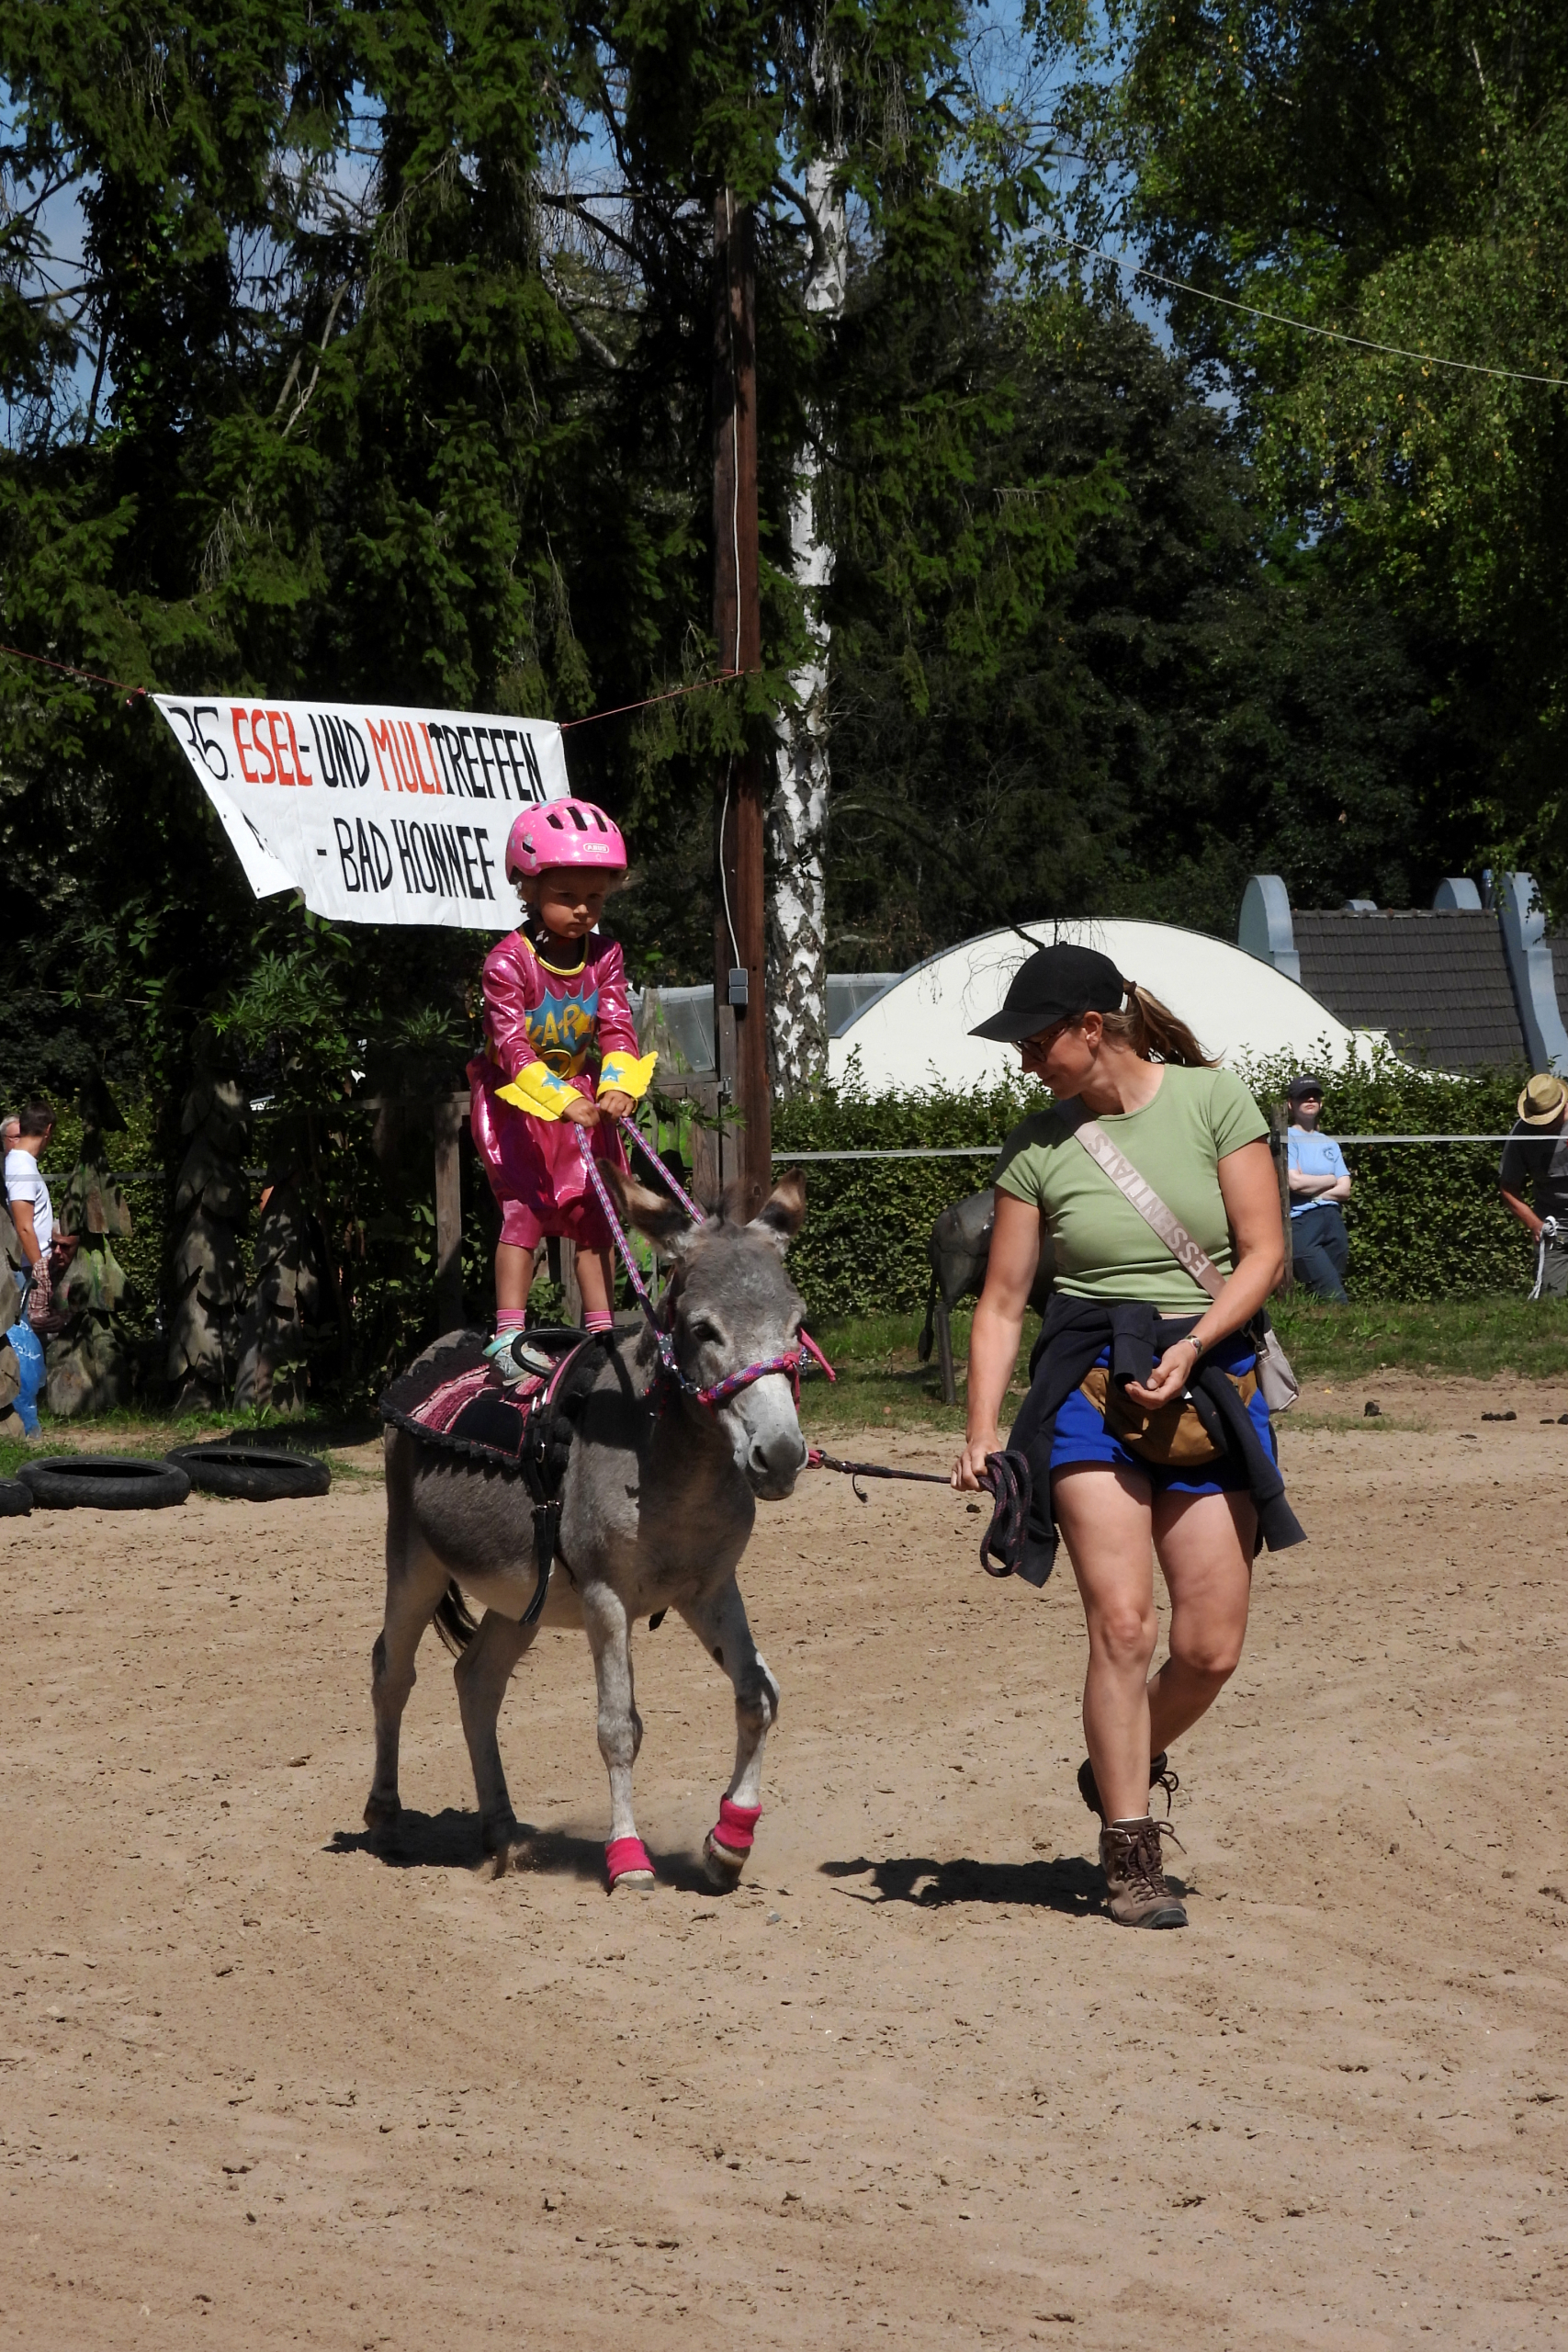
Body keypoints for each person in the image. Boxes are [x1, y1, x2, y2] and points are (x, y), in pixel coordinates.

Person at [952, 944, 1302, 1932]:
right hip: (1087, 1384)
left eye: (1035, 1042)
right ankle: (1130, 1850)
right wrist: (980, 1427)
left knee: (1209, 1645)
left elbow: (1265, 1250)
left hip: (1209, 1376)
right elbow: (1004, 1302)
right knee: (1122, 1622)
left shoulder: (1215, 1102)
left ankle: (1123, 1752)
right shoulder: (1034, 1147)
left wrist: (1194, 1343)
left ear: (1090, 1028)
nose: (1026, 1063)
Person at [467, 798, 657, 1361]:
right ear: (528, 889)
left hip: (581, 1096)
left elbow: (617, 1027)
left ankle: (600, 1335)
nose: (582, 911)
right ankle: (508, 1335)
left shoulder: (606, 957)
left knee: (593, 1210)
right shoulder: (508, 963)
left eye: (594, 898)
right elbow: (510, 1046)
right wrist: (557, 1102)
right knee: (525, 1210)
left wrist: (618, 1083)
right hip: (519, 1104)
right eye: (566, 897)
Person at [1499, 1071, 1568, 1298]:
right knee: (1551, 1299)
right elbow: (1508, 1188)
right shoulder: (1522, 1133)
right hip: (1555, 1226)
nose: (1545, 1124)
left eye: (1550, 1117)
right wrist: (1534, 1224)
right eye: (1540, 1118)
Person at [5, 1099, 75, 1319]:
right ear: (48, 1130)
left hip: (34, 1267)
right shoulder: (21, 1166)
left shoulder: (24, 1163)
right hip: (30, 1270)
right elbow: (24, 1226)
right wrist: (40, 1273)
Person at [1285, 1073, 1352, 1302]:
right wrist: (1330, 1178)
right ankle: (1344, 1327)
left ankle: (1326, 1331)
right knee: (1334, 1295)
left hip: (1333, 1219)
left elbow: (1345, 1189)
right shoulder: (1287, 1138)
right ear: (1291, 1104)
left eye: (1315, 1096)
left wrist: (1311, 1187)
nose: (1311, 1099)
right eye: (1304, 1096)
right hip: (1303, 1222)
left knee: (1325, 1292)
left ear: (1321, 1104)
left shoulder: (1330, 1143)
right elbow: (1293, 1183)